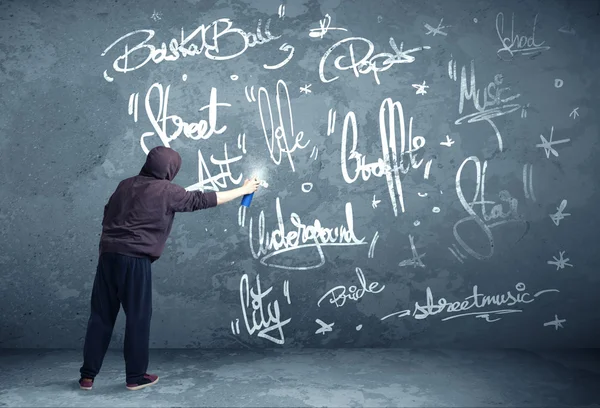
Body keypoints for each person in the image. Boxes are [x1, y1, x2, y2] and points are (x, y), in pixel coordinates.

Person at [78, 146, 260, 391]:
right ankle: (135, 377)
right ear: (171, 169)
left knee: (100, 316)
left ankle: (87, 377)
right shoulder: (168, 191)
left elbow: (107, 212)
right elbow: (204, 200)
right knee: (138, 319)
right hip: (135, 260)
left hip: (108, 256)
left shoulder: (124, 185)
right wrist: (244, 190)